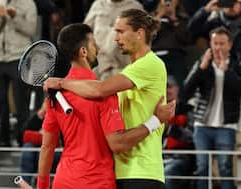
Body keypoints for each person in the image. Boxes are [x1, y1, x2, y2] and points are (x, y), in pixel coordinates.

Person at [37, 23, 174, 189]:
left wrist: (42, 186)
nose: (98, 48)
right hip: (98, 182)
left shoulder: (55, 96)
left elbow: (47, 147)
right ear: (83, 52)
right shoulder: (105, 94)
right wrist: (156, 121)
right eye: (94, 43)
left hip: (64, 181)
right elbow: (118, 144)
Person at [182, 26, 241, 189]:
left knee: (225, 167)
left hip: (226, 126)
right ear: (210, 44)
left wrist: (226, 73)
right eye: (215, 43)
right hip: (202, 125)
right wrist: (201, 68)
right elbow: (186, 90)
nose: (218, 47)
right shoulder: (202, 62)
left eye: (222, 43)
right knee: (202, 167)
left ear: (230, 45)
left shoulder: (237, 64)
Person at [0, 0, 37, 146]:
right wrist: (0, 17)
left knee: (21, 102)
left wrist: (15, 18)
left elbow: (31, 30)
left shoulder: (29, 4)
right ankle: (3, 140)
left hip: (19, 57)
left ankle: (22, 139)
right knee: (1, 103)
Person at [187, 0, 241, 97]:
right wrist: (205, 11)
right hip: (212, 80)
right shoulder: (214, 23)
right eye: (228, 2)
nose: (231, 6)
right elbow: (191, 32)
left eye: (235, 2)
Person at [83, 0, 143, 80]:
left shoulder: (135, 6)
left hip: (125, 69)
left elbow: (144, 38)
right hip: (99, 67)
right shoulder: (98, 4)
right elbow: (84, 33)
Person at [162, 75, 195, 189]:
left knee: (167, 174)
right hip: (156, 158)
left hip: (180, 158)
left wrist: (170, 129)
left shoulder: (187, 110)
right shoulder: (154, 110)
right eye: (164, 87)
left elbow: (192, 137)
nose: (167, 90)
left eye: (170, 87)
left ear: (177, 88)